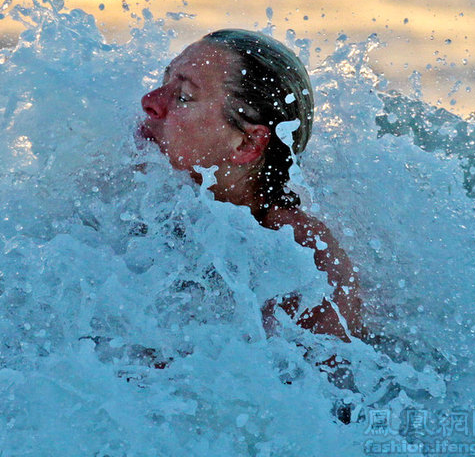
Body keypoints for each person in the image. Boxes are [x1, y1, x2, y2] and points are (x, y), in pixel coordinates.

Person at [139, 29, 364, 343]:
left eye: (183, 97)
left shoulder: (312, 271)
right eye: (164, 82)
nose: (149, 102)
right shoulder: (129, 194)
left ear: (247, 143)